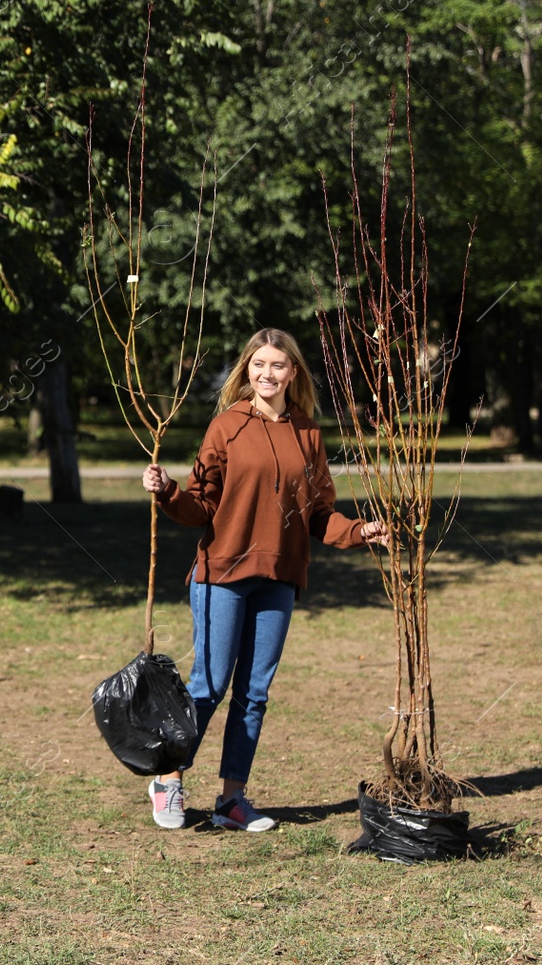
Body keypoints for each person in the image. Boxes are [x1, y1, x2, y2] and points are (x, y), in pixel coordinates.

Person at [140, 328, 388, 832]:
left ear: (293, 372)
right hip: (221, 575)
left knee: (254, 693)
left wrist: (361, 530)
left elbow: (320, 515)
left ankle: (232, 800)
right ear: (246, 370)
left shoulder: (309, 434)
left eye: (278, 365)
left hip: (279, 578)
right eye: (258, 365)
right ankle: (167, 779)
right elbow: (200, 504)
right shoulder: (225, 427)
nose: (267, 374)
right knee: (208, 686)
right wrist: (167, 491)